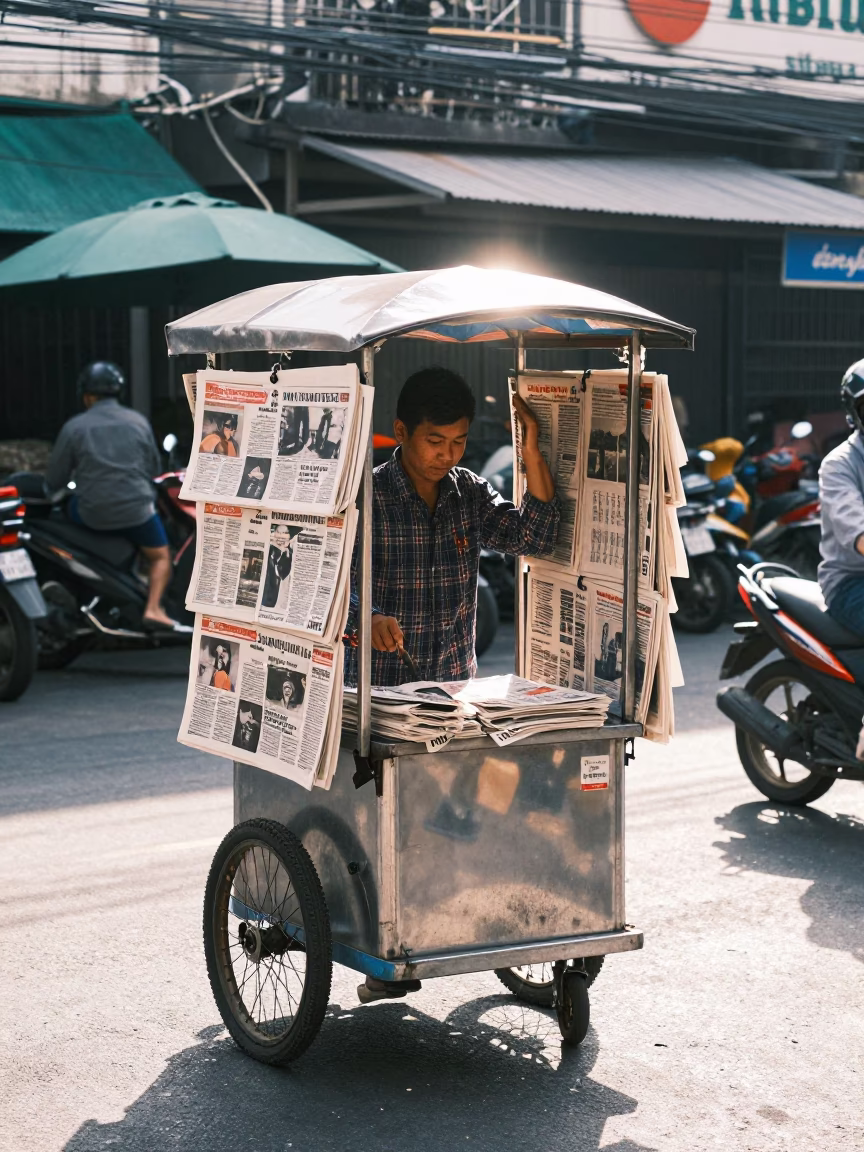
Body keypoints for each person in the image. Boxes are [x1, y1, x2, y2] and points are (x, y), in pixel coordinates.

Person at [345, 365, 559, 688]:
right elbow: (328, 586)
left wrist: (531, 453)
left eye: (458, 441)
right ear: (401, 431)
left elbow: (534, 537)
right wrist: (367, 618)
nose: (447, 455)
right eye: (435, 441)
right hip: (378, 698)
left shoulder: (469, 494)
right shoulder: (364, 499)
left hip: (452, 694)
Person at [45, 362, 183, 631]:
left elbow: (55, 480)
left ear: (86, 396)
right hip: (137, 514)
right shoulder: (138, 422)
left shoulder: (75, 427)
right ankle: (154, 608)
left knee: (61, 519)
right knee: (160, 555)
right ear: (118, 393)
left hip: (90, 514)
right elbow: (153, 469)